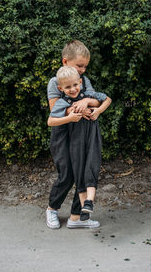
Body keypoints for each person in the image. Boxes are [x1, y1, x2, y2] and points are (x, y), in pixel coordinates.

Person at [46, 40, 106, 229]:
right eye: (79, 65)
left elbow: (96, 101)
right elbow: (55, 110)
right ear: (66, 62)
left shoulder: (84, 81)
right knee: (67, 174)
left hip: (79, 133)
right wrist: (78, 111)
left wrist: (88, 100)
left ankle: (76, 217)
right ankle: (52, 209)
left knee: (80, 172)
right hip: (62, 134)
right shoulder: (55, 83)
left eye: (85, 66)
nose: (82, 69)